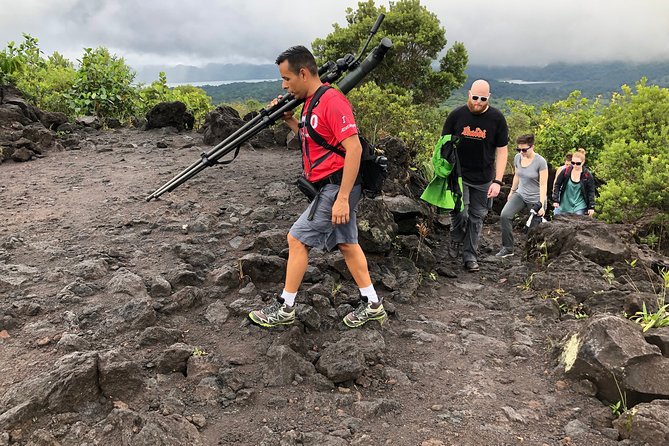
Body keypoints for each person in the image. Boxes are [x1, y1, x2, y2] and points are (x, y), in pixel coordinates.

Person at [248, 45, 386, 329]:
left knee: (297, 239)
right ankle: (372, 303)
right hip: (331, 186)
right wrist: (290, 121)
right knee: (347, 244)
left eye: (286, 79)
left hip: (337, 187)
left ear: (302, 72)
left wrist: (343, 198)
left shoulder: (331, 100)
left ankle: (285, 307)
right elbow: (315, 137)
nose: (284, 85)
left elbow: (354, 149)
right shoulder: (312, 102)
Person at [442, 79, 509, 272]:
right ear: (469, 94)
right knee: (460, 212)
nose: (478, 102)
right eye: (475, 97)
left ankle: (470, 255)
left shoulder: (497, 119)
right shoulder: (456, 115)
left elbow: (502, 151)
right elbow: (443, 145)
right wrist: (443, 171)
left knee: (477, 217)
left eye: (482, 99)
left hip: (483, 177)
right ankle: (456, 239)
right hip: (459, 175)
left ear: (489, 98)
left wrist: (498, 180)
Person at [496, 134, 548, 258]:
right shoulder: (517, 158)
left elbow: (543, 185)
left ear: (532, 146)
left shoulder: (540, 162)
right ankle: (508, 248)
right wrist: (512, 192)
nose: (521, 152)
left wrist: (541, 204)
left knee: (535, 228)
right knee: (505, 215)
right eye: (519, 149)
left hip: (536, 198)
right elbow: (517, 175)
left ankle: (535, 253)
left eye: (524, 149)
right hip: (521, 194)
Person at [552, 148, 595, 217]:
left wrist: (591, 207)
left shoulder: (587, 175)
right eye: (573, 163)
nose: (575, 165)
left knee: (576, 224)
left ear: (583, 162)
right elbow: (557, 185)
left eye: (578, 163)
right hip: (564, 205)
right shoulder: (565, 171)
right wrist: (555, 200)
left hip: (579, 206)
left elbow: (591, 191)